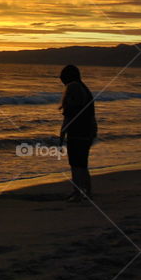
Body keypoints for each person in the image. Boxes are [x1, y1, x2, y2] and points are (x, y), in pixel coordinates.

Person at [59, 64, 97, 202]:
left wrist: (62, 133)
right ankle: (85, 192)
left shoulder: (73, 87)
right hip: (87, 129)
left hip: (78, 130)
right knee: (81, 163)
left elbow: (70, 113)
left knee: (76, 164)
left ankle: (79, 193)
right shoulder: (84, 88)